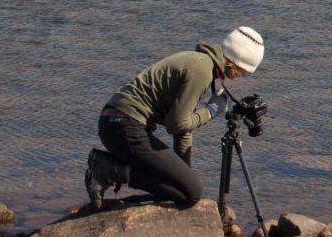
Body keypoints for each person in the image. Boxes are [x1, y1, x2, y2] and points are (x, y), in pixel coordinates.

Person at [86, 26, 264, 209]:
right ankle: (110, 169)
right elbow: (177, 124)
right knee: (192, 193)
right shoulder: (202, 70)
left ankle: (113, 171)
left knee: (186, 189)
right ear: (237, 63)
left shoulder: (201, 63)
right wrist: (211, 110)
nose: (243, 75)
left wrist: (183, 173)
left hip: (116, 123)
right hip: (124, 125)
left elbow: (183, 127)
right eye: (245, 71)